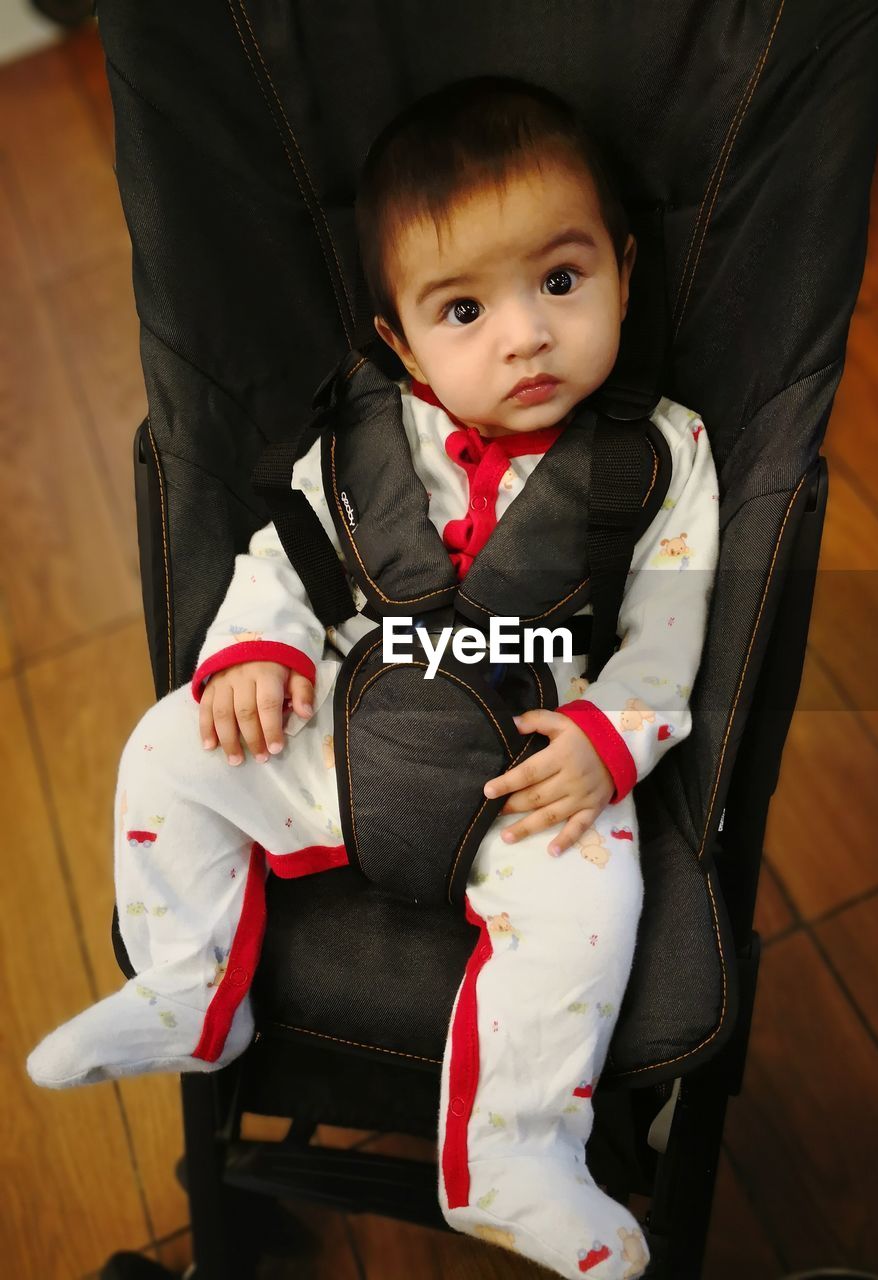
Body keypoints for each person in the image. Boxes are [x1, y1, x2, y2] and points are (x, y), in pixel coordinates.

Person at [26, 76, 719, 1280]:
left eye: (561, 282)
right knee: (168, 746)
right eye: (464, 308)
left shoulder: (662, 455)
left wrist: (611, 740)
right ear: (399, 340)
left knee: (593, 903)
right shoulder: (359, 444)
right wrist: (257, 652)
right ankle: (194, 984)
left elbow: (668, 632)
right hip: (347, 737)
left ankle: (513, 1152)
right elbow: (283, 561)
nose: (524, 335)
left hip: (527, 776)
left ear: (622, 265)